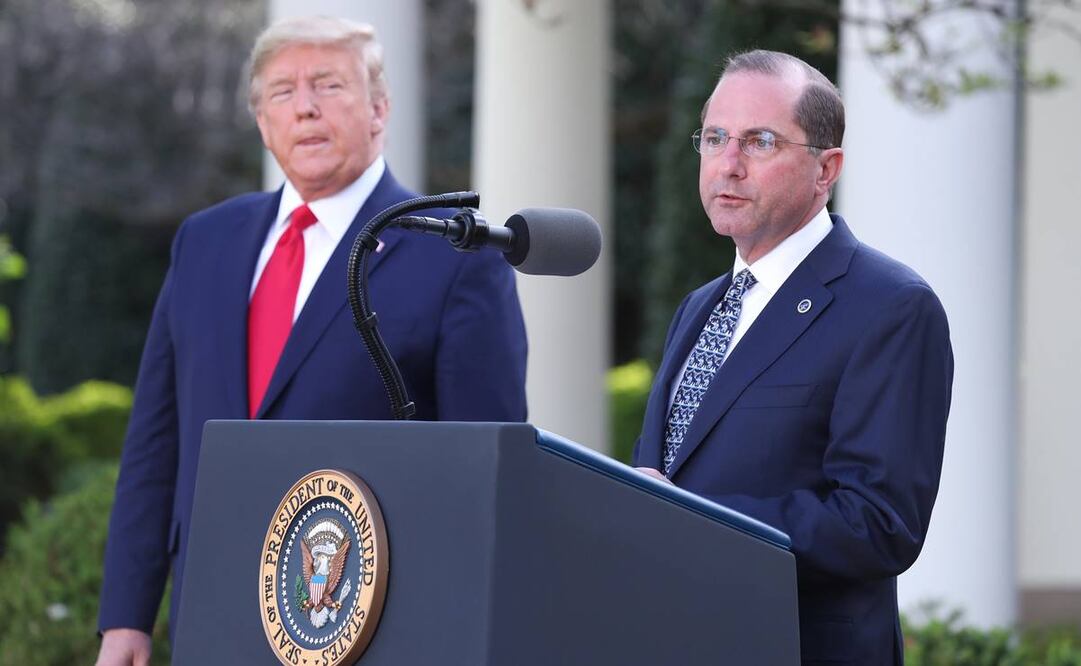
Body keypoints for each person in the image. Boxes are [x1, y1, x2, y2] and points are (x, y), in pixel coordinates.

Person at [95, 16, 527, 665]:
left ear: (379, 108)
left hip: (368, 622)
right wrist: (126, 618)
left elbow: (484, 471)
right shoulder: (204, 242)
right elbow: (155, 444)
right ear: (262, 121)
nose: (305, 107)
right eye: (282, 91)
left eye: (328, 84)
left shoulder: (455, 256)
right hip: (211, 607)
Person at [633, 50, 953, 664]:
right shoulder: (700, 307)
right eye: (715, 138)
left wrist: (687, 517)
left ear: (826, 169)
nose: (728, 164)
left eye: (759, 142)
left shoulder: (891, 307)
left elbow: (878, 523)